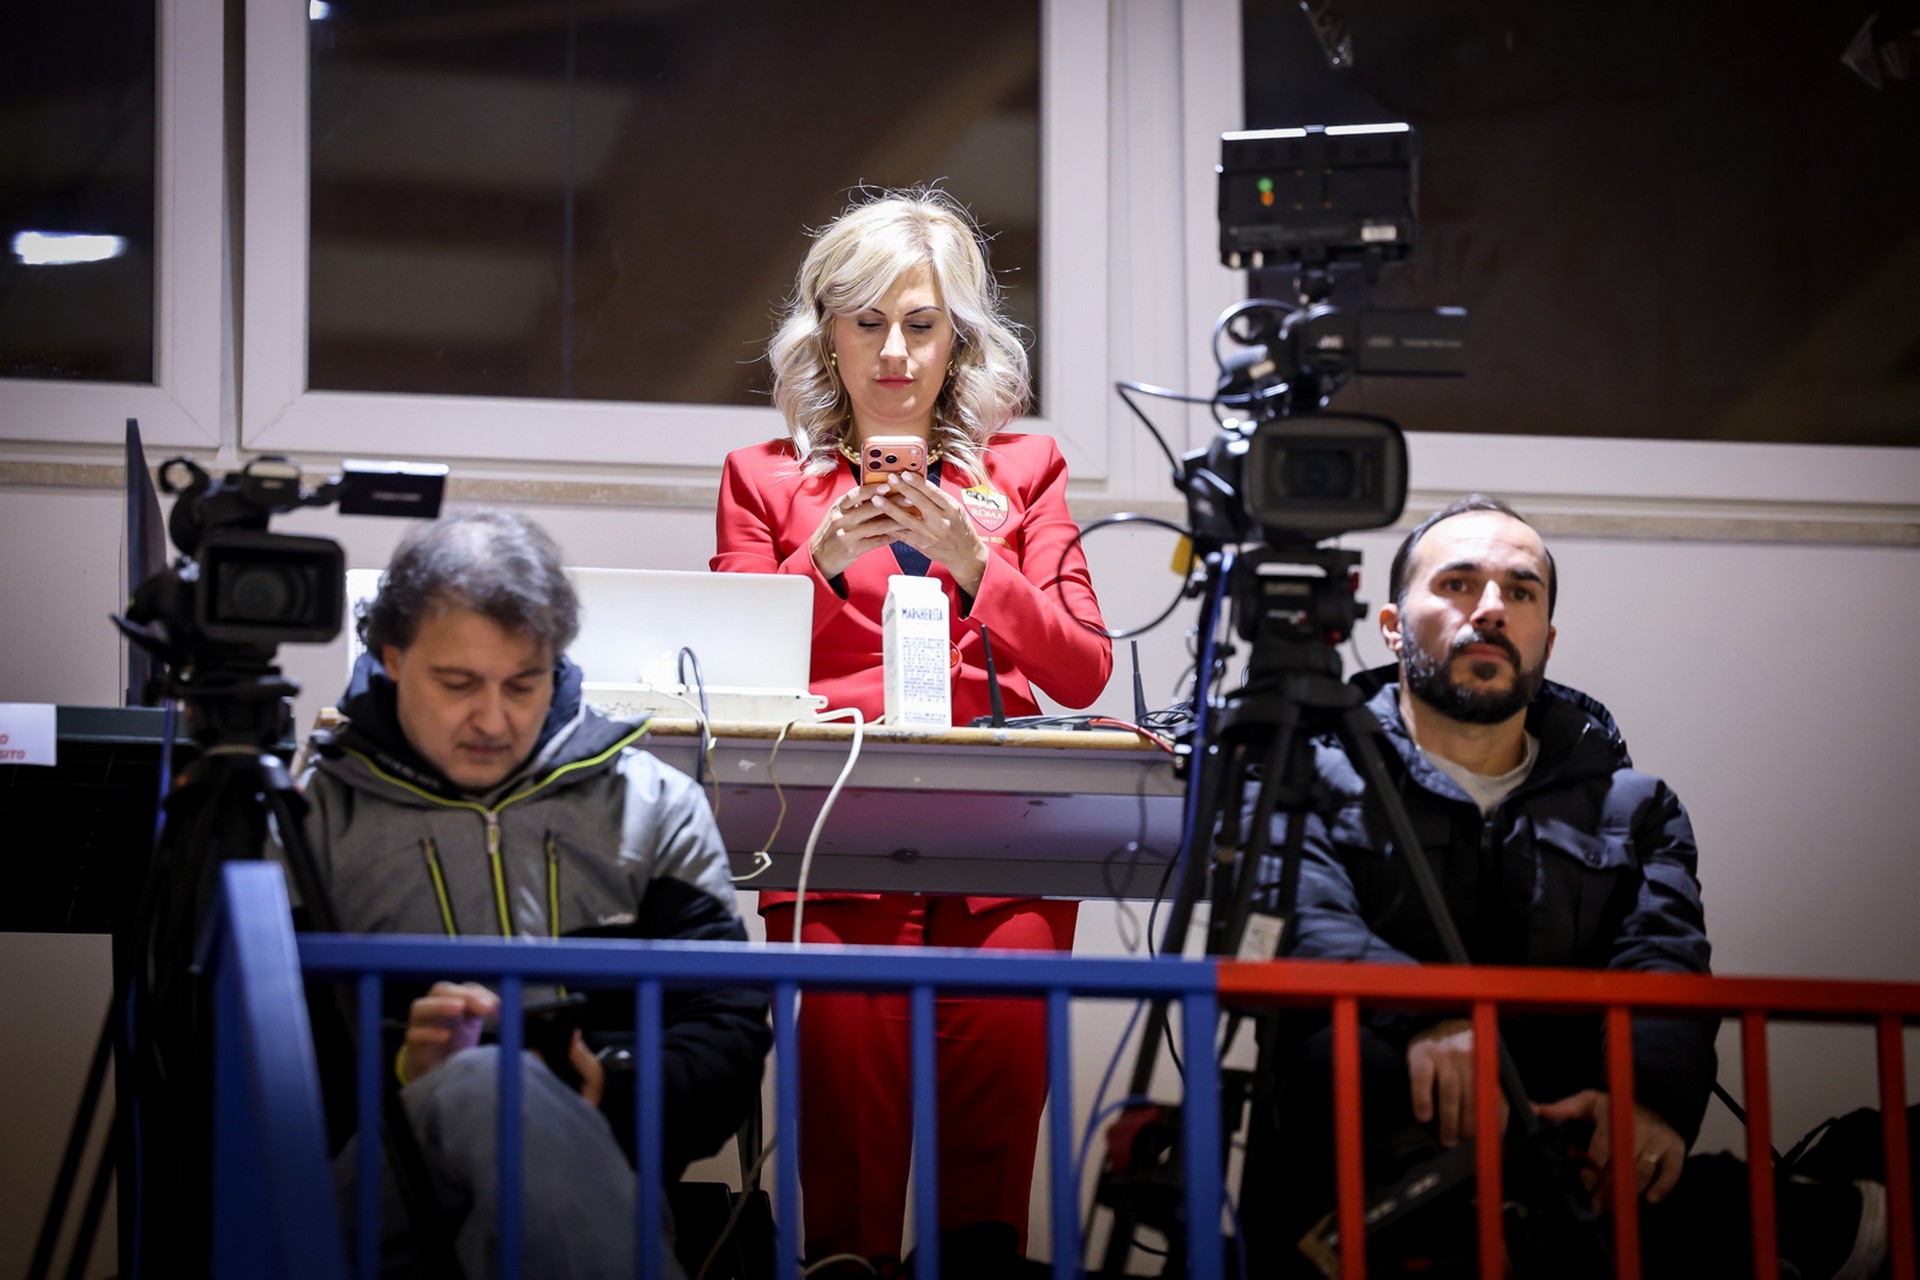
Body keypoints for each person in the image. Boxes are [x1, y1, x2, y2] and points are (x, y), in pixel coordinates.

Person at [1242, 494, 1885, 1279]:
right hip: (1355, 1169)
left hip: (1574, 1150)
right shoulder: (1300, 774)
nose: (1491, 609)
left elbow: (1662, 963)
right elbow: (1296, 918)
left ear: (1545, 638)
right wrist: (1428, 1019)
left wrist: (1647, 1102)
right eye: (1457, 584)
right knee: (1344, 1060)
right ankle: (1768, 1218)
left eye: (1520, 592)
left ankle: (1572, 1211)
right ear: (1391, 627)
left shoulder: (1633, 807)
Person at [711, 188, 1112, 1273]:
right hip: (835, 838)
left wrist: (981, 564)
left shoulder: (1024, 471)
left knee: (990, 1161)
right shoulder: (764, 478)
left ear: (958, 340)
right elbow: (733, 669)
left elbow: (1082, 668)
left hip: (1006, 850)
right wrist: (819, 561)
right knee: (846, 1161)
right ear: (827, 331)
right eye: (869, 321)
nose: (894, 352)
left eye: (922, 324)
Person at [290, 508, 771, 1279]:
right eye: (457, 684)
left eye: (524, 683)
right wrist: (406, 1072)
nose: (493, 719)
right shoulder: (310, 819)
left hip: (598, 1191)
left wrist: (606, 1086)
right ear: (391, 658)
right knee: (487, 1082)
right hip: (370, 1213)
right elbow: (250, 1066)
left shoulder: (655, 804)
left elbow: (728, 1036)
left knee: (502, 1091)